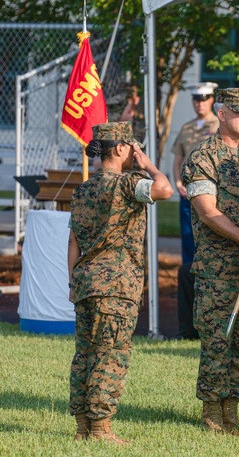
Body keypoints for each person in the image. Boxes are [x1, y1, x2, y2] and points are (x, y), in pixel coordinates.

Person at [68, 121, 172, 444]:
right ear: (121, 149)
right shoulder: (129, 185)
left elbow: (73, 242)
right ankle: (101, 429)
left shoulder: (82, 189)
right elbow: (165, 189)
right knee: (110, 354)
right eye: (132, 147)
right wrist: (149, 165)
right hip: (116, 287)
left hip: (86, 283)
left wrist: (72, 282)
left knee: (85, 354)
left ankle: (83, 427)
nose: (134, 152)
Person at [182, 87, 239, 435]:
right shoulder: (202, 157)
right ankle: (211, 411)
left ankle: (232, 408)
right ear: (221, 114)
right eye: (238, 112)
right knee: (218, 340)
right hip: (218, 267)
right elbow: (208, 212)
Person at [172, 82, 219, 341]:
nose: (200, 103)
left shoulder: (219, 125)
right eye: (196, 99)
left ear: (212, 99)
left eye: (204, 98)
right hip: (187, 194)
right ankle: (190, 294)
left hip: (209, 195)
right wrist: (178, 181)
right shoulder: (187, 128)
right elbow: (178, 157)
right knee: (188, 247)